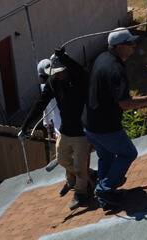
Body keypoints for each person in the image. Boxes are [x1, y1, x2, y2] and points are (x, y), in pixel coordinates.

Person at [82, 28, 147, 210]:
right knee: (128, 153)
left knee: (106, 157)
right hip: (105, 127)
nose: (134, 46)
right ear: (119, 46)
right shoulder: (115, 69)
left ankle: (106, 199)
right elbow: (125, 103)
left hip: (90, 124)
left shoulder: (102, 58)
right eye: (130, 43)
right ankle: (104, 189)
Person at [22, 51, 94, 210]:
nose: (59, 75)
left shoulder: (78, 79)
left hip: (82, 130)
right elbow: (40, 103)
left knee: (79, 164)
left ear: (67, 68)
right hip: (65, 130)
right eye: (56, 73)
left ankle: (81, 192)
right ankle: (89, 174)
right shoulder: (54, 81)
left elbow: (85, 73)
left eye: (61, 71)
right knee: (62, 159)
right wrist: (26, 125)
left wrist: (67, 58)